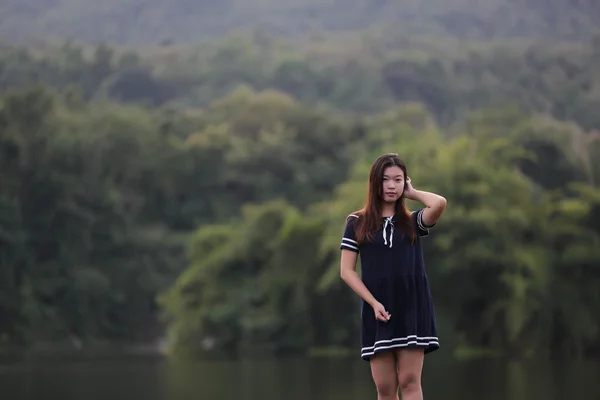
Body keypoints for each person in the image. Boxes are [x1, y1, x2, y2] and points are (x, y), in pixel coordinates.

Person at [339, 153, 446, 400]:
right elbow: (346, 271)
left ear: (404, 183)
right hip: (377, 310)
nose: (391, 185)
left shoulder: (412, 221)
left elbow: (439, 204)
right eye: (385, 179)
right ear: (375, 182)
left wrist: (413, 192)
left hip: (412, 307)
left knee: (410, 382)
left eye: (398, 180)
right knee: (385, 388)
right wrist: (373, 303)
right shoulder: (357, 222)